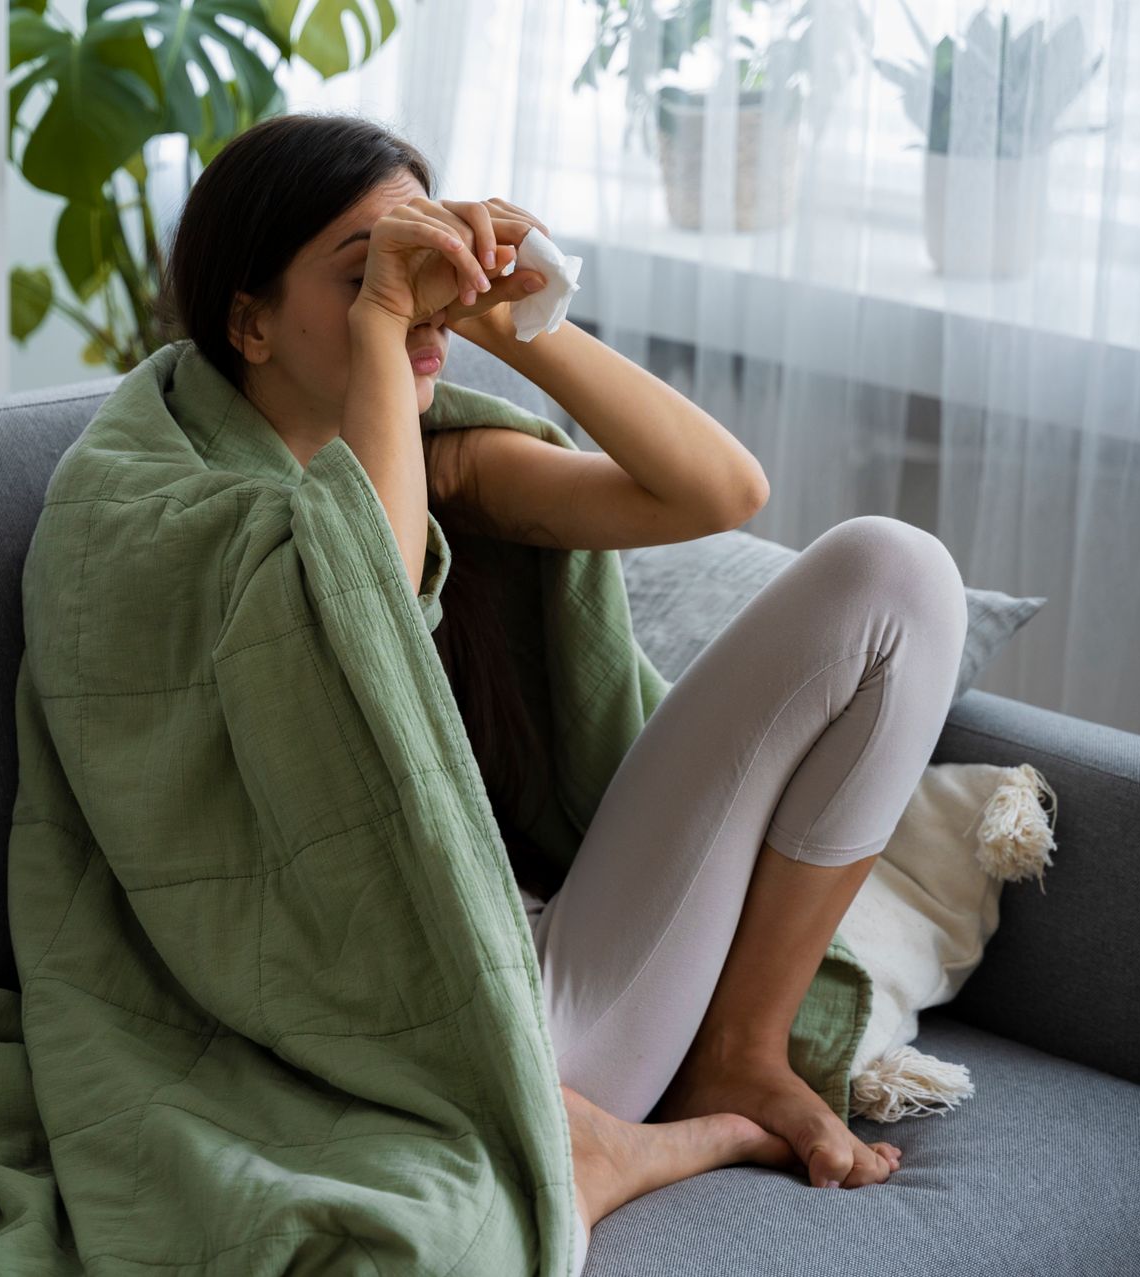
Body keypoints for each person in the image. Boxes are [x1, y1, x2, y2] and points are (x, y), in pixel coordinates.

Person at [155, 110, 967, 1244]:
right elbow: (364, 614)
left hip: (548, 958)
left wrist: (513, 315)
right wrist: (391, 321)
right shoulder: (165, 515)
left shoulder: (448, 463)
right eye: (363, 275)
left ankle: (739, 1052)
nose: (415, 301)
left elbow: (718, 492)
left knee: (899, 575)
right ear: (248, 320)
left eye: (420, 254)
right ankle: (610, 1140)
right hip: (429, 1035)